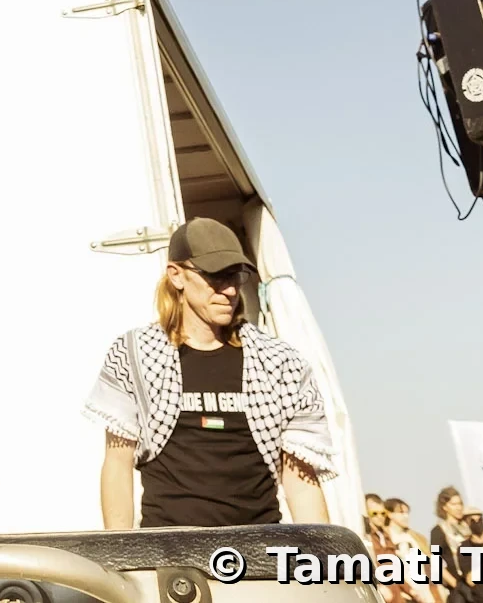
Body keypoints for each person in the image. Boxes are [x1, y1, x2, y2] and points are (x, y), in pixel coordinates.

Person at [89, 218, 334, 529]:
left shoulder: (281, 363)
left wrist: (326, 566)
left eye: (236, 275)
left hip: (261, 554)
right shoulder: (135, 355)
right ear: (176, 275)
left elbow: (300, 480)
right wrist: (122, 559)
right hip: (169, 556)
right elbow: (117, 463)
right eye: (215, 276)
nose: (230, 289)